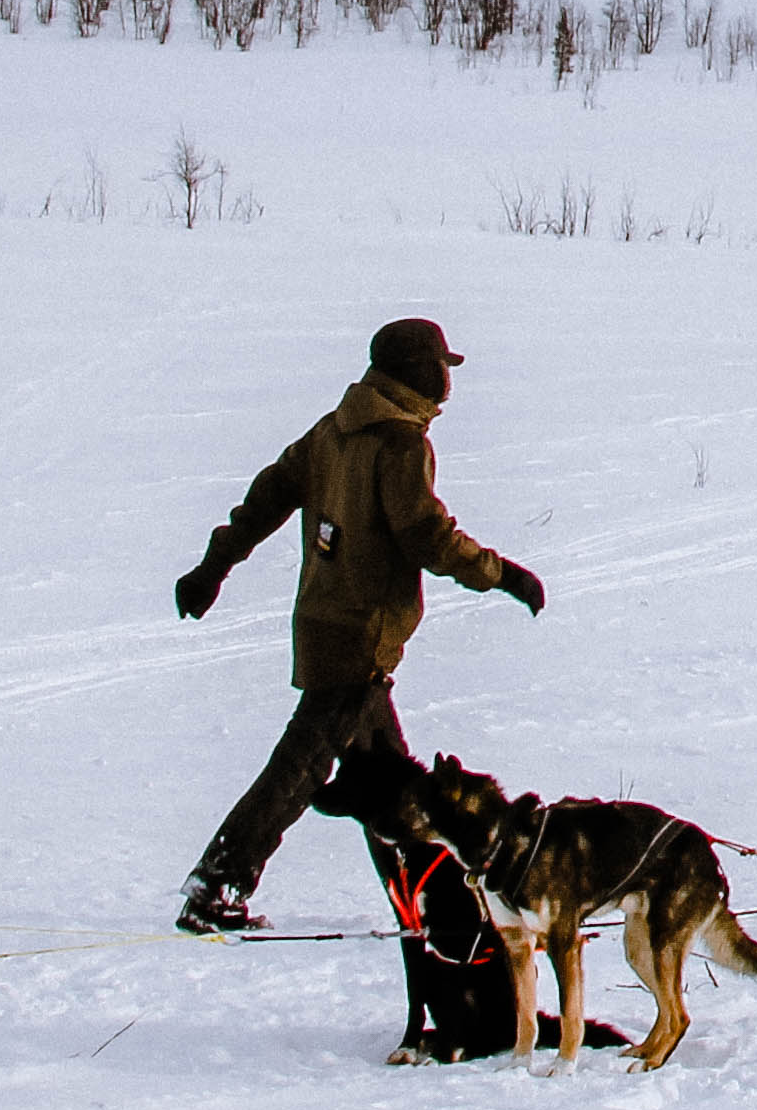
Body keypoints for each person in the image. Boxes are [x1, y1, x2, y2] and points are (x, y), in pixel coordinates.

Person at [171, 316, 543, 935]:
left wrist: (215, 566)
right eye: (439, 368)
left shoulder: (335, 430)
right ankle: (216, 886)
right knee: (301, 769)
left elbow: (265, 497)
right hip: (360, 636)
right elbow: (425, 534)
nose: (447, 381)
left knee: (396, 788)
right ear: (415, 373)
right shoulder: (397, 441)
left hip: (326, 625)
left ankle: (424, 901)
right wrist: (501, 575)